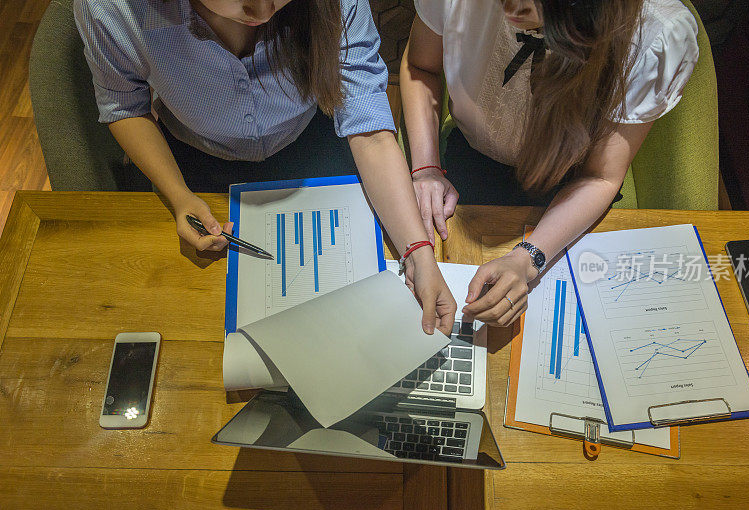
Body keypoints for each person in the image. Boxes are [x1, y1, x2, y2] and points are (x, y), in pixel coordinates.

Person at [75, 0, 456, 334]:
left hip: (313, 142)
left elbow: (369, 129)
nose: (261, 12)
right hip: (195, 162)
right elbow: (126, 106)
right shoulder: (112, 8)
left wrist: (419, 253)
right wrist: (178, 196)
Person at [400, 0, 699, 328]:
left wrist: (528, 259)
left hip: (572, 187)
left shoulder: (651, 29)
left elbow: (600, 176)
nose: (511, 7)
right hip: (471, 157)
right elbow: (420, 66)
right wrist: (426, 167)